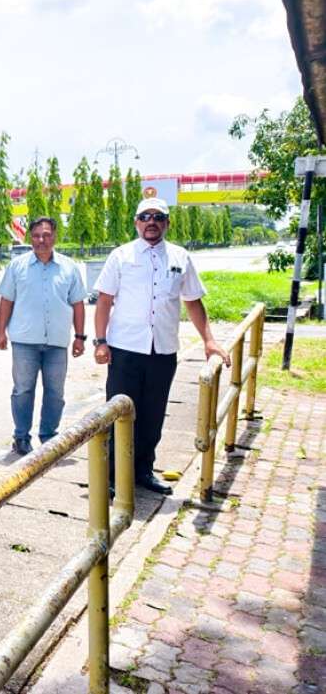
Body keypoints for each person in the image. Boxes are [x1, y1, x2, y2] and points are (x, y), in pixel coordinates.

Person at [94, 198, 230, 495]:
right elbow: (104, 301)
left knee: (153, 415)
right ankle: (111, 476)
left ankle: (143, 470)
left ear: (167, 222)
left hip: (163, 351)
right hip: (125, 349)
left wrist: (209, 340)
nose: (151, 221)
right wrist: (100, 342)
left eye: (158, 216)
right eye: (145, 216)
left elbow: (193, 302)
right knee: (118, 414)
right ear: (136, 222)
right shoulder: (121, 256)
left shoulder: (180, 257)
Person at [0, 216, 87, 455]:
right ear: (30, 238)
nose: (41, 240)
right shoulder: (17, 267)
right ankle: (21, 437)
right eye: (36, 235)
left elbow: (78, 304)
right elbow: (7, 300)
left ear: (55, 236)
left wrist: (80, 337)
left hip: (57, 342)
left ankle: (49, 436)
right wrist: (0, 332)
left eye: (46, 235)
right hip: (25, 341)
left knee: (55, 392)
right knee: (23, 390)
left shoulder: (69, 267)